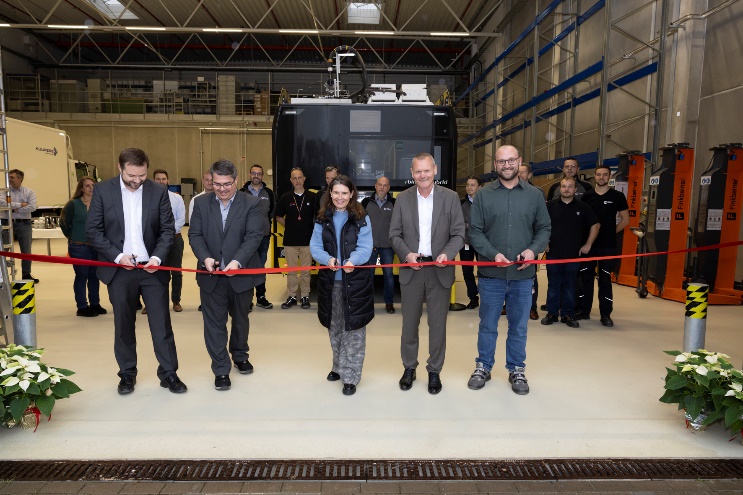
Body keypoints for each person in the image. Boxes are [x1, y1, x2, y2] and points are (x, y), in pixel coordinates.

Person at [86, 147, 187, 395]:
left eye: (142, 176)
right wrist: (118, 256)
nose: (137, 181)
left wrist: (156, 257)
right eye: (132, 175)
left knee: (161, 325)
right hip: (119, 271)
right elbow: (93, 231)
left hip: (152, 269)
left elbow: (167, 230)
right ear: (119, 168)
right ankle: (127, 374)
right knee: (123, 326)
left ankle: (169, 373)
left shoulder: (159, 191)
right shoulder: (103, 191)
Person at [468, 145, 551, 395]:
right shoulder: (483, 196)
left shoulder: (535, 195)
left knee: (518, 326)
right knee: (488, 324)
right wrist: (493, 254)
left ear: (519, 161)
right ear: (495, 165)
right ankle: (483, 365)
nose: (506, 165)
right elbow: (475, 232)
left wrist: (532, 250)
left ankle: (516, 368)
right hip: (491, 275)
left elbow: (544, 228)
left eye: (511, 160)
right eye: (501, 161)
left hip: (522, 276)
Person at [389, 153, 465, 395]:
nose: (422, 175)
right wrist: (407, 255)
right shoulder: (402, 199)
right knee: (409, 324)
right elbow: (394, 235)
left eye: (426, 170)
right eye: (417, 171)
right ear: (412, 174)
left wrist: (447, 253)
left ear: (435, 170)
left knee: (438, 325)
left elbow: (459, 234)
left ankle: (434, 370)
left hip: (439, 269)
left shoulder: (451, 198)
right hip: (412, 269)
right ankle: (409, 367)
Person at [189, 159, 266, 391]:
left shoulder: (252, 204)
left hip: (240, 274)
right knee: (214, 323)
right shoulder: (201, 203)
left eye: (227, 184)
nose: (222, 189)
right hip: (211, 275)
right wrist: (205, 258)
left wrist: (236, 261)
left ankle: (240, 354)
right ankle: (221, 368)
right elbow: (194, 235)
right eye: (217, 184)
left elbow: (254, 236)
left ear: (236, 180)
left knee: (241, 319)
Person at [310, 175, 374, 396]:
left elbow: (366, 246)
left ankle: (351, 376)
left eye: (344, 193)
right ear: (330, 194)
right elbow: (315, 246)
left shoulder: (361, 217)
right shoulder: (322, 218)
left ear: (351, 194)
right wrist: (327, 259)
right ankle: (337, 366)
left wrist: (352, 261)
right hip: (331, 284)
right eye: (335, 192)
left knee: (353, 330)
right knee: (334, 328)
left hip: (354, 283)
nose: (339, 197)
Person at [541, 176, 599, 328]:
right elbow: (539, 225)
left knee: (570, 286)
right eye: (564, 186)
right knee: (553, 285)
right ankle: (552, 313)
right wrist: (544, 242)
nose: (566, 189)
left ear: (575, 189)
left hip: (573, 255)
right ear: (560, 188)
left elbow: (596, 224)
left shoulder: (583, 207)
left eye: (570, 186)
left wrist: (588, 244)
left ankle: (568, 314)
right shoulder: (549, 206)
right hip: (553, 253)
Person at [575, 165, 629, 327]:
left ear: (609, 177)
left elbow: (625, 220)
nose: (601, 178)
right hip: (588, 246)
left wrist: (612, 232)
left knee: (605, 280)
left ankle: (606, 314)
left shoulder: (617, 196)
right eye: (598, 175)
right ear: (594, 176)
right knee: (585, 279)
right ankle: (584, 311)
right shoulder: (587, 196)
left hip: (607, 246)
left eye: (605, 175)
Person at [60, 176, 106, 317]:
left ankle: (95, 304)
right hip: (79, 247)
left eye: (93, 185)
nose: (91, 188)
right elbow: (64, 222)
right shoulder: (73, 204)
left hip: (95, 246)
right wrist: (73, 236)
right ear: (81, 188)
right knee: (81, 275)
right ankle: (82, 306)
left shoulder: (99, 204)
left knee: (94, 276)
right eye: (87, 185)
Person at [275, 167, 317, 310]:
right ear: (291, 180)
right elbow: (278, 216)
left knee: (306, 271)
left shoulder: (312, 197)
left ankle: (305, 296)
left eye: (300, 178)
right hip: (290, 242)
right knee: (292, 271)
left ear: (304, 179)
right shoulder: (286, 197)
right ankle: (292, 296)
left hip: (308, 241)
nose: (297, 181)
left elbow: (318, 217)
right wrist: (290, 226)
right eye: (294, 178)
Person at [240, 164, 275, 310]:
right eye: (253, 173)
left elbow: (272, 211)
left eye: (259, 174)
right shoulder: (241, 193)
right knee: (246, 266)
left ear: (262, 176)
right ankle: (247, 299)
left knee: (260, 266)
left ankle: (261, 296)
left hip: (263, 237)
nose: (256, 176)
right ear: (249, 174)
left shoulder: (268, 193)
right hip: (245, 237)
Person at [360, 176, 397, 314]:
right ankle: (367, 303)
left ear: (388, 187)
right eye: (380, 185)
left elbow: (399, 224)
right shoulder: (365, 202)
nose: (382, 187)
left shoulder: (394, 203)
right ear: (375, 186)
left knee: (388, 275)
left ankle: (389, 303)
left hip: (388, 247)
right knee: (368, 275)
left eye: (385, 185)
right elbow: (359, 222)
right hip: (370, 246)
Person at [152, 169, 186, 313]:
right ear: (153, 180)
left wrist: (167, 233)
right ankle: (153, 302)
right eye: (158, 179)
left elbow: (181, 220)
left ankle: (176, 301)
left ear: (168, 180)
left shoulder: (176, 198)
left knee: (176, 272)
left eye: (163, 179)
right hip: (155, 241)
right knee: (155, 272)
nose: (161, 181)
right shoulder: (147, 198)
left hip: (174, 239)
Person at [0, 169, 38, 282]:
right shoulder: (4, 192)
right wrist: (21, 205)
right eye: (9, 177)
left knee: (26, 251)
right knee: (3, 250)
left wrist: (13, 208)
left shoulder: (29, 192)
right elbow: (2, 203)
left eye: (12, 177)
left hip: (24, 223)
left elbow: (32, 207)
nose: (9, 180)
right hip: (6, 223)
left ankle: (26, 274)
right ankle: (1, 276)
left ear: (20, 178)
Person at [518, 163, 541, 320]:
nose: (520, 175)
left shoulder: (537, 193)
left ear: (529, 175)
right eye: (518, 173)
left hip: (530, 243)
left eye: (523, 173)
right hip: (512, 241)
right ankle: (507, 306)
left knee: (531, 277)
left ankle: (532, 307)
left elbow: (541, 222)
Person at [189, 171, 214, 312]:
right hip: (203, 242)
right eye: (207, 180)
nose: (210, 183)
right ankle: (204, 301)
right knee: (203, 272)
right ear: (203, 181)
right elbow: (194, 225)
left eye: (212, 180)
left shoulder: (221, 197)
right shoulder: (197, 200)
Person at [460, 176, 483, 310]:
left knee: (484, 272)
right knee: (467, 271)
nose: (469, 187)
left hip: (482, 244)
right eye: (467, 185)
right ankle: (473, 298)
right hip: (466, 243)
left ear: (479, 187)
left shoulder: (485, 202)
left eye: (472, 185)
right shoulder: (461, 203)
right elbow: (456, 221)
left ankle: (485, 296)